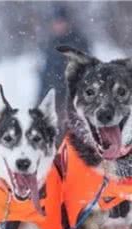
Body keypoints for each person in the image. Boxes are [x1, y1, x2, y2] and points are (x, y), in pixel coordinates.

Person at [37, 5, 90, 135]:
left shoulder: (78, 41)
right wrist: (40, 99)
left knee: (75, 131)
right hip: (54, 96)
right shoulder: (51, 43)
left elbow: (86, 69)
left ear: (67, 22)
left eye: (60, 22)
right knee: (52, 131)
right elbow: (47, 73)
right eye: (55, 22)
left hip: (73, 97)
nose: (57, 25)